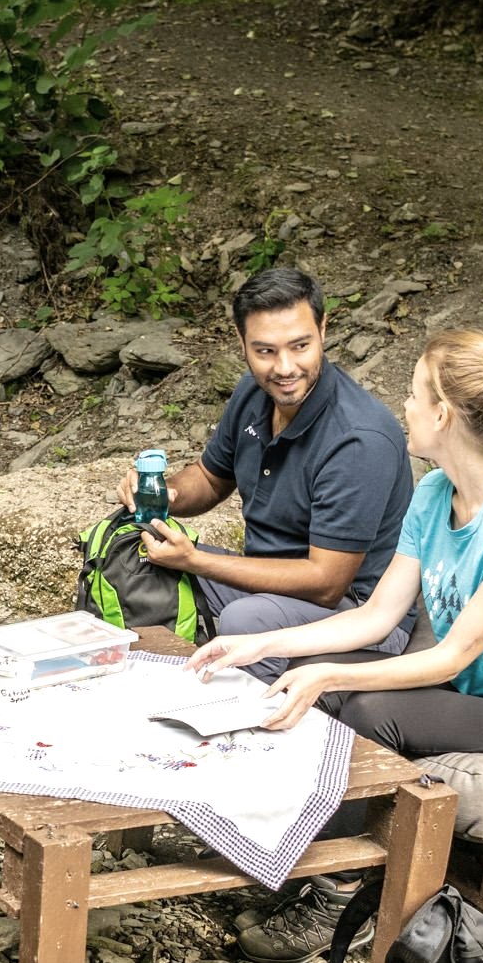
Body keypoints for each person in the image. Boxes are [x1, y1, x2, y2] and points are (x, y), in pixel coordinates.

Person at [186, 327, 483, 963]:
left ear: (442, 415)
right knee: (316, 677)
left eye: (414, 395)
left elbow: (451, 657)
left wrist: (329, 676)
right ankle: (282, 846)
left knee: (366, 708)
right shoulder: (436, 492)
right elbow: (377, 616)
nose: (405, 409)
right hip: (479, 695)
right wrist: (260, 645)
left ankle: (338, 898)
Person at [117, 266, 415, 672]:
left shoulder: (358, 439)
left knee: (246, 621)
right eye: (266, 352)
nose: (285, 368)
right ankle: (154, 680)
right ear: (242, 342)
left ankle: (240, 709)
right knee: (134, 553)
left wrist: (196, 560)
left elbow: (326, 584)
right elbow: (209, 478)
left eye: (300, 346)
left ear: (323, 330)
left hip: (358, 613)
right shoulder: (253, 393)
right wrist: (163, 494)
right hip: (264, 586)